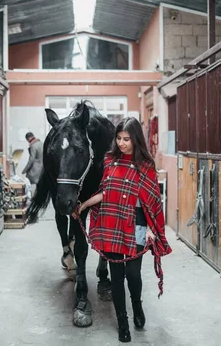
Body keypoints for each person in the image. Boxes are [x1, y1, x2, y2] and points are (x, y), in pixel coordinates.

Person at [78, 117, 171, 343]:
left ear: (136, 139)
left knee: (133, 274)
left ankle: (137, 306)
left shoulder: (146, 166)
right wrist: (83, 205)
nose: (121, 143)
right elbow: (104, 192)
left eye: (126, 139)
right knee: (116, 276)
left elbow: (151, 201)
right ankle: (123, 322)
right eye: (118, 138)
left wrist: (150, 228)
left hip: (137, 224)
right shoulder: (109, 161)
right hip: (111, 222)